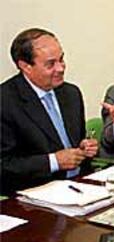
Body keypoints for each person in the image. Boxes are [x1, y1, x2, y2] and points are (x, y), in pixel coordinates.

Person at [0, 28, 98, 195]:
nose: (60, 68)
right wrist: (54, 162)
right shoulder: (5, 101)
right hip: (34, 197)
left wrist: (85, 148)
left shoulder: (71, 93)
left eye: (61, 59)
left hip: (81, 187)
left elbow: (75, 144)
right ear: (26, 67)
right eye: (50, 64)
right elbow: (4, 164)